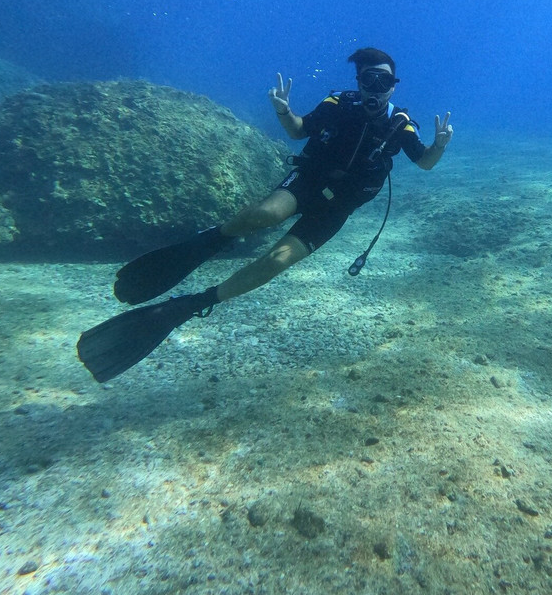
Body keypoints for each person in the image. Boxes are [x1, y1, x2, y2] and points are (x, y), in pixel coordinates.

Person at [77, 48, 453, 382]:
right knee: (264, 214)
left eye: (383, 80)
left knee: (277, 260)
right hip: (308, 180)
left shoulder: (399, 123)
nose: (375, 87)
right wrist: (283, 111)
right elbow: (298, 131)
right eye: (369, 79)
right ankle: (212, 240)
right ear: (358, 82)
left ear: (393, 85)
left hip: (338, 207)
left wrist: (438, 145)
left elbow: (424, 163)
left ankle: (195, 302)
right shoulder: (339, 104)